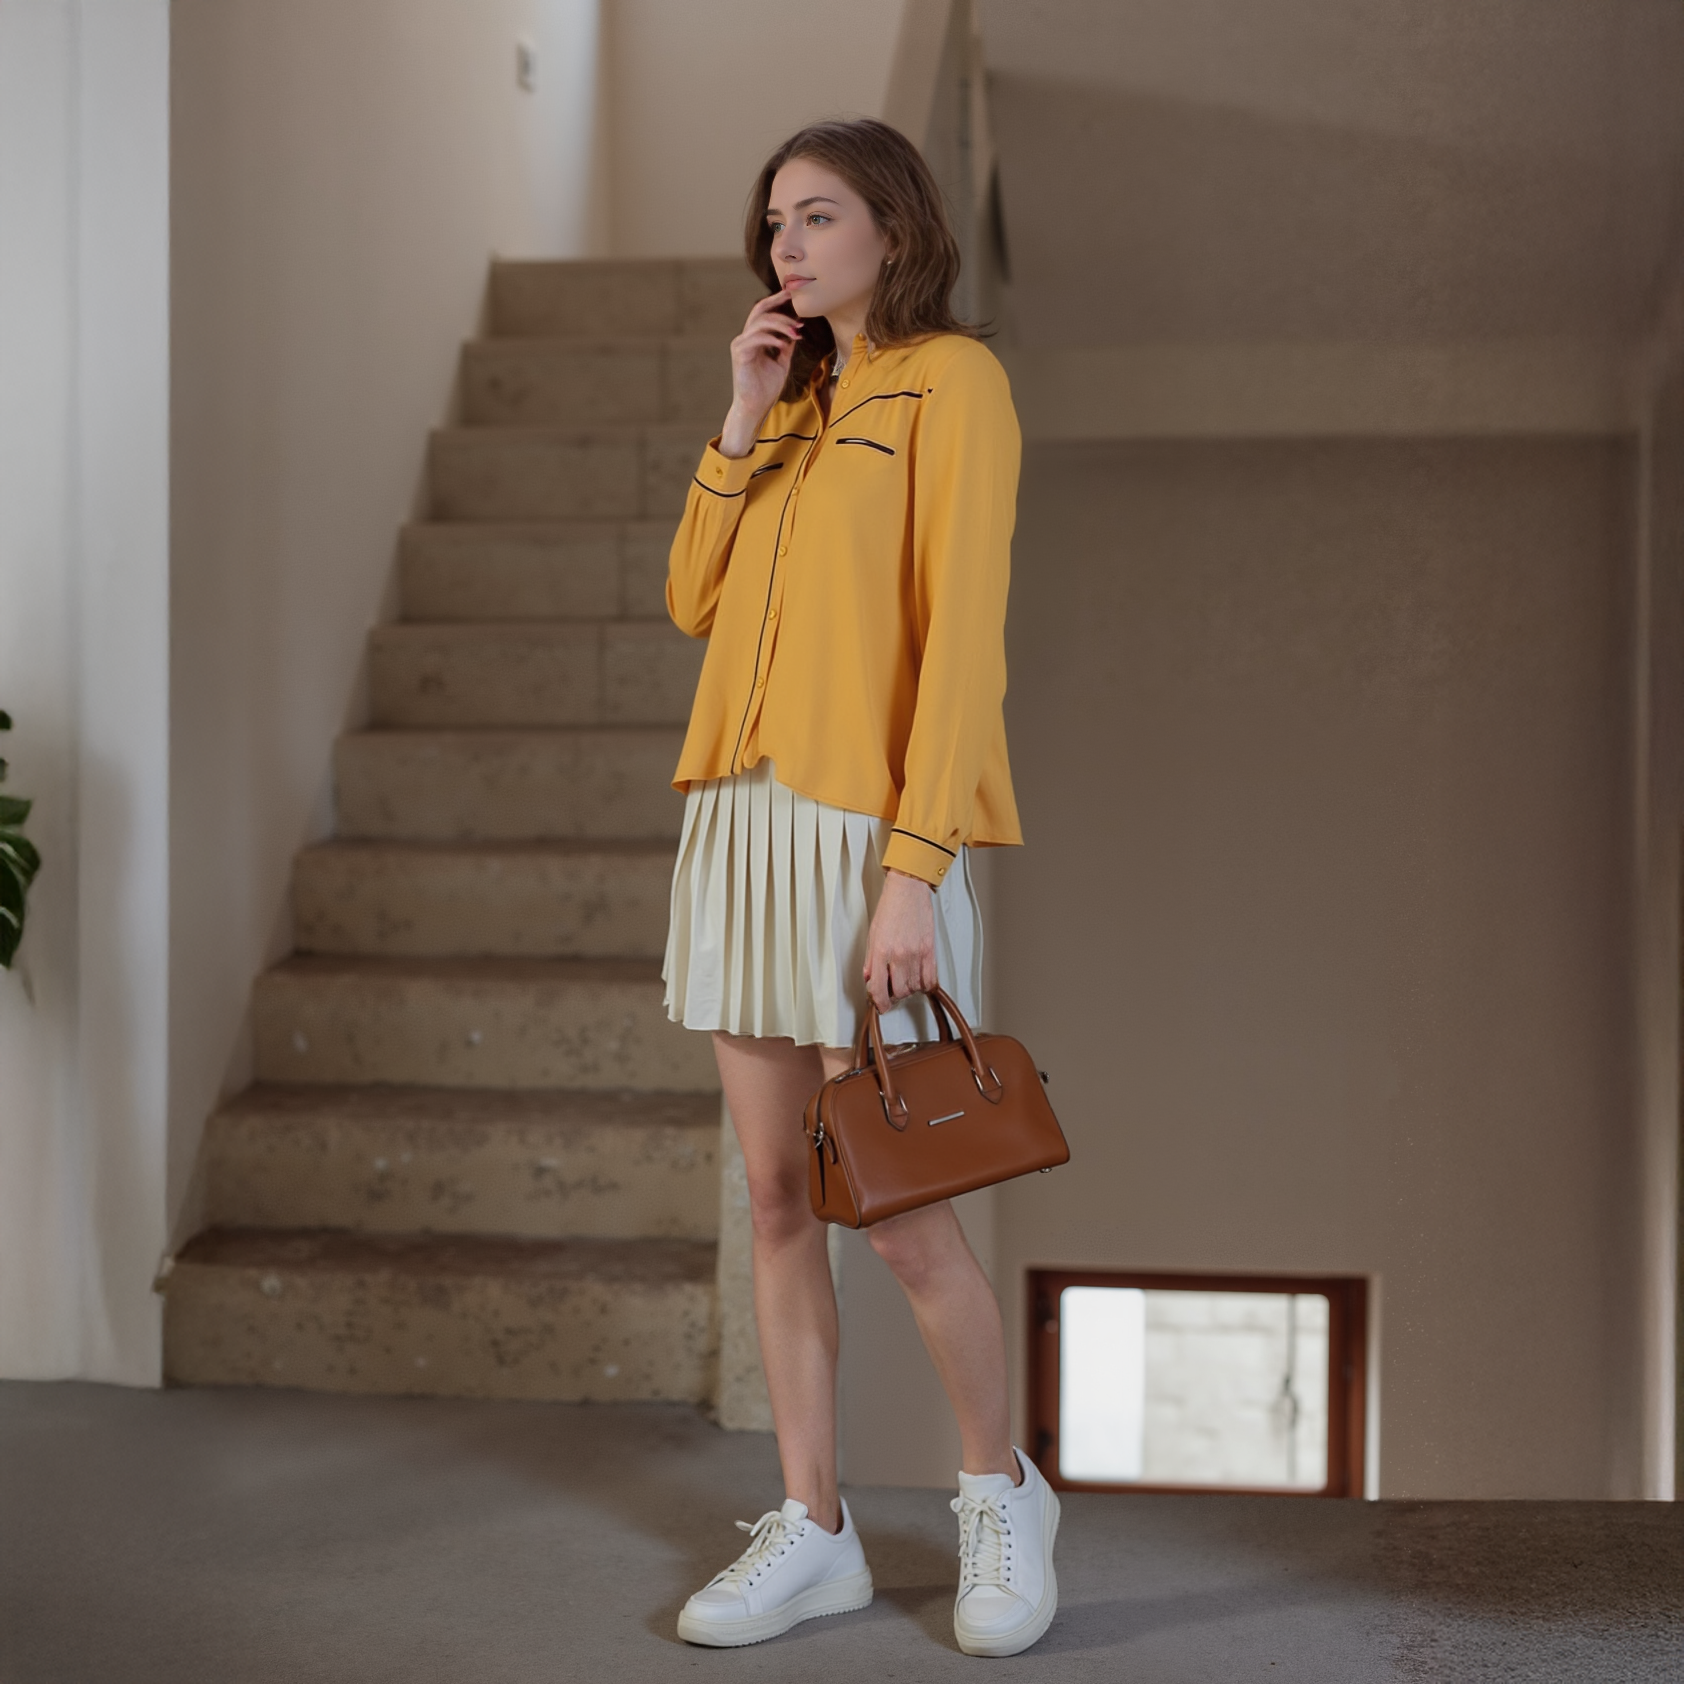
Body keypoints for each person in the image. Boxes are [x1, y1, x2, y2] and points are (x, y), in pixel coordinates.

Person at [660, 116, 1057, 1659]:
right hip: (740, 827)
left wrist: (915, 877)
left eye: (818, 217)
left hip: (867, 840)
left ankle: (999, 1496)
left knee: (897, 1216)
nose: (790, 246)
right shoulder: (797, 401)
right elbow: (692, 596)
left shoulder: (954, 385)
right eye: (775, 225)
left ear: (893, 225)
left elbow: (963, 644)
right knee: (773, 1203)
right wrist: (745, 413)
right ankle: (814, 1526)